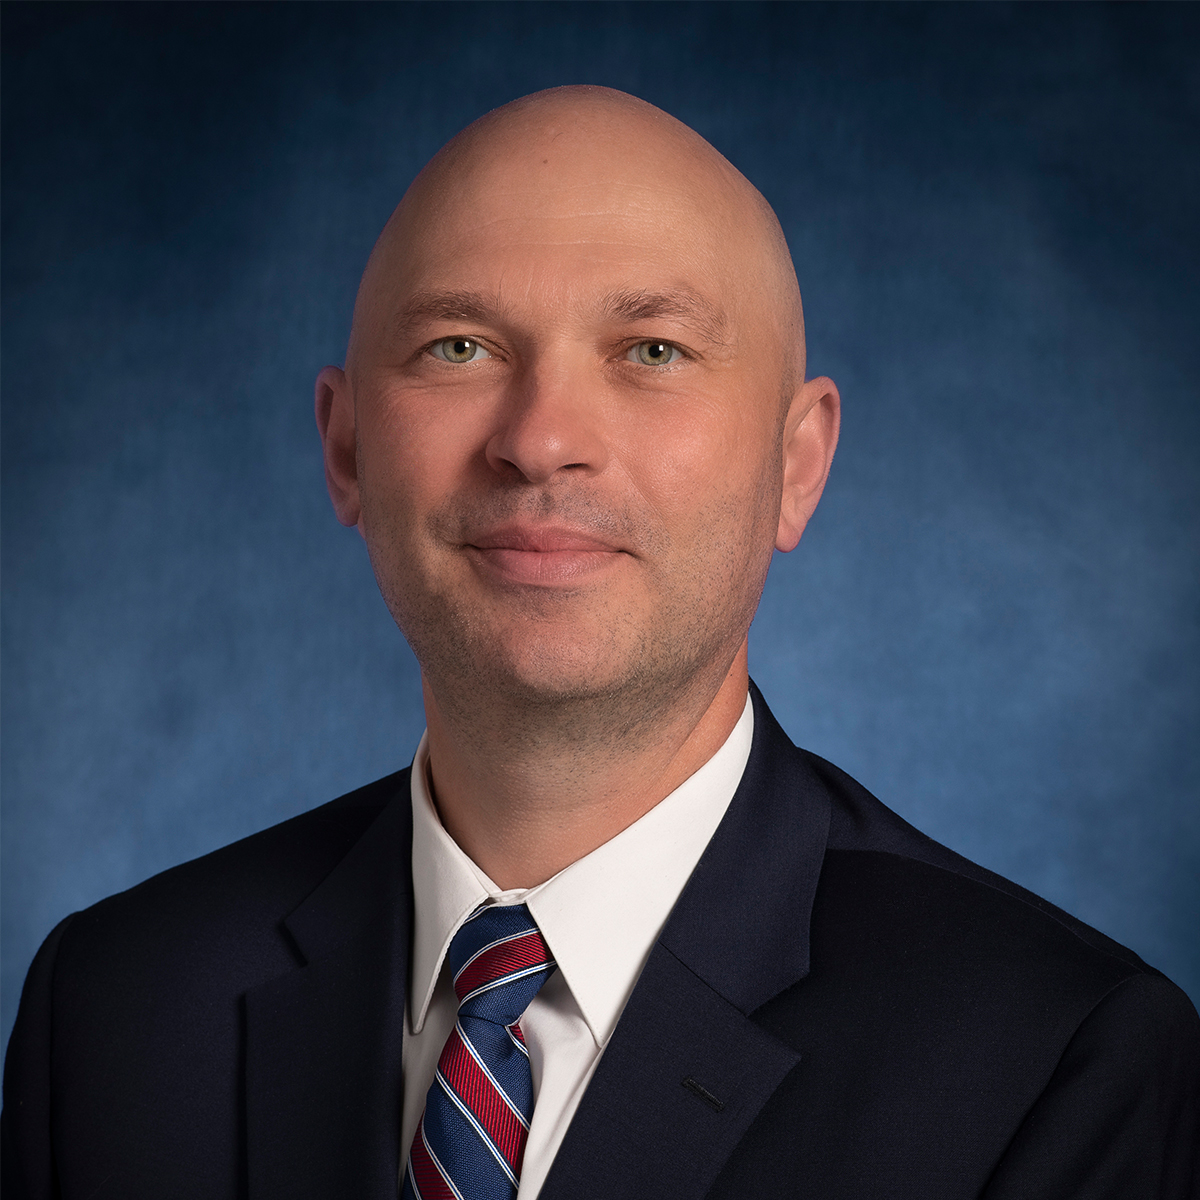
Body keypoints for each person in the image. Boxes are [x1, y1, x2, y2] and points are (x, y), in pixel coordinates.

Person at [3, 85, 1197, 1200]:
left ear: (797, 465)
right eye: (459, 347)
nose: (541, 440)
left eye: (652, 351)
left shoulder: (1056, 1063)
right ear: (347, 450)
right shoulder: (115, 1006)